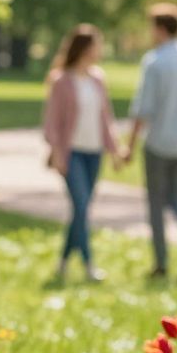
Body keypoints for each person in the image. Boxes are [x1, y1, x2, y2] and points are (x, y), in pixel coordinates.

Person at [126, 2, 177, 281]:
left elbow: (143, 108)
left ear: (160, 28)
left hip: (159, 143)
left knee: (156, 203)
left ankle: (161, 263)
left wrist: (130, 145)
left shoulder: (155, 61)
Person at [42, 24, 124, 284]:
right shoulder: (61, 80)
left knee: (82, 208)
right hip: (72, 153)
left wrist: (115, 150)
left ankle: (64, 261)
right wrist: (57, 152)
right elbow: (52, 122)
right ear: (85, 48)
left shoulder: (98, 78)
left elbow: (106, 118)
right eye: (97, 45)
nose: (100, 50)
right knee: (80, 205)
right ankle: (89, 265)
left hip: (94, 152)